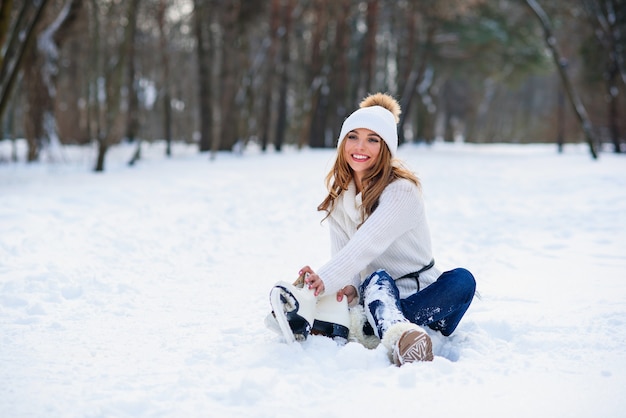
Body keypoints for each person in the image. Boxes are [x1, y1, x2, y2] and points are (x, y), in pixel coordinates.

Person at [296, 92, 476, 365]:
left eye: (373, 140)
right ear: (342, 142)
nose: (360, 146)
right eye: (353, 136)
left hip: (425, 297)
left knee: (463, 280)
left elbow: (366, 243)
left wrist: (324, 279)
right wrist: (337, 289)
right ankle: (394, 332)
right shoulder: (339, 200)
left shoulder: (401, 191)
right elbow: (348, 263)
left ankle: (375, 327)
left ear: (386, 149)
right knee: (375, 279)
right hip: (377, 292)